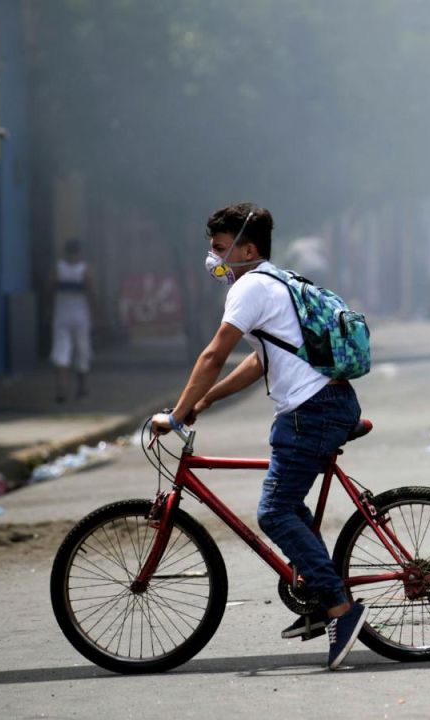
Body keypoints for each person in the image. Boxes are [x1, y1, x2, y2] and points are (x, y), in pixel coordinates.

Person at [149, 202, 366, 670]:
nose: (214, 259)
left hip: (312, 410)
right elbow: (260, 361)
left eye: (221, 249)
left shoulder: (249, 287)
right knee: (290, 506)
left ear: (248, 248)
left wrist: (178, 415)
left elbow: (212, 356)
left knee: (274, 511)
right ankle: (316, 594)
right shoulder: (275, 281)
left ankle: (340, 609)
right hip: (321, 405)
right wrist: (207, 401)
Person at [49, 238, 97, 402]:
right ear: (80, 252)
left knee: (61, 351)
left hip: (61, 315)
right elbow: (92, 294)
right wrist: (95, 313)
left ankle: (61, 388)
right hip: (81, 316)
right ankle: (82, 387)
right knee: (82, 349)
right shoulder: (84, 270)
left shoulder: (58, 269)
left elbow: (50, 290)